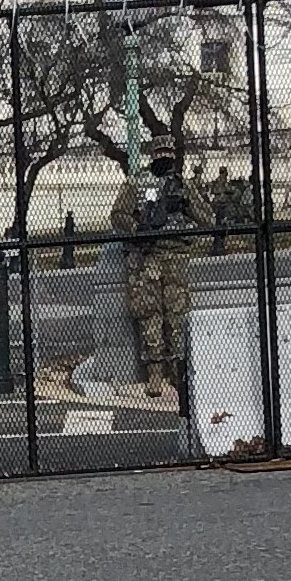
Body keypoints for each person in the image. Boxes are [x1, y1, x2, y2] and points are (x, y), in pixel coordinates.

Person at [107, 145, 214, 399]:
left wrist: (186, 205)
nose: (163, 157)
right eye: (158, 153)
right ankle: (154, 373)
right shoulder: (137, 183)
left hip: (176, 257)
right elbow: (118, 214)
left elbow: (207, 220)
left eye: (168, 152)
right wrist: (137, 228)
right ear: (151, 155)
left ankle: (178, 370)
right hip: (147, 258)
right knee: (149, 315)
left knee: (177, 316)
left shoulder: (183, 186)